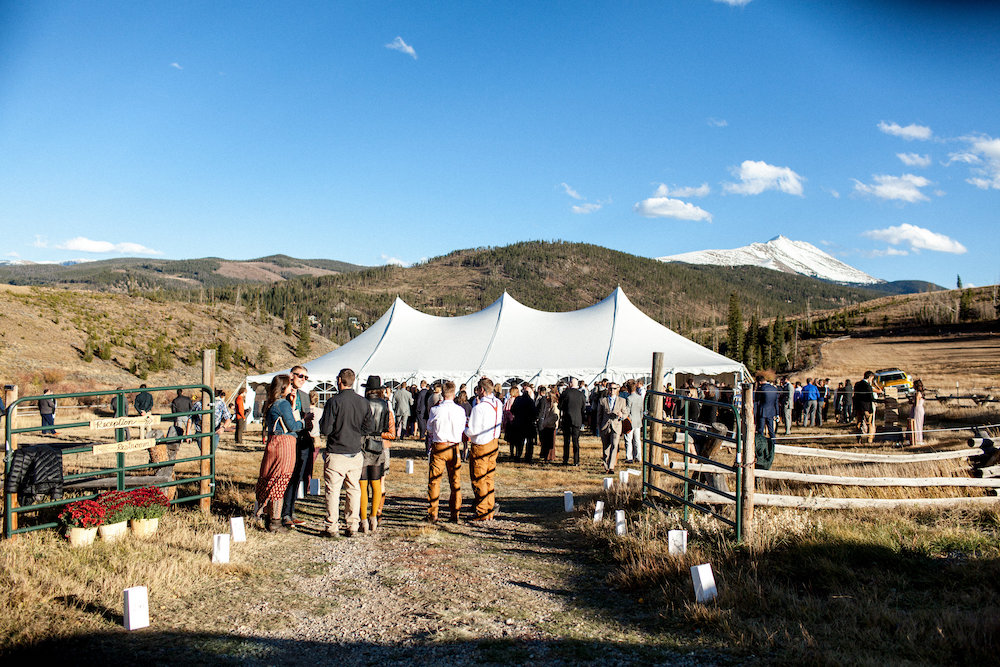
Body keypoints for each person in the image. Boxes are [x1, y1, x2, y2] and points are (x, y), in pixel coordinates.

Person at [318, 368, 375, 538]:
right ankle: (352, 524)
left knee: (333, 491)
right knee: (353, 489)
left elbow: (326, 428)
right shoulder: (363, 402)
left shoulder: (333, 402)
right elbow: (369, 427)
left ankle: (332, 526)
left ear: (340, 381)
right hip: (355, 451)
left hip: (336, 451)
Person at [254, 374, 303, 533]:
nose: (291, 387)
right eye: (289, 385)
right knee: (280, 481)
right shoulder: (282, 404)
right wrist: (303, 421)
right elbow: (293, 425)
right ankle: (275, 521)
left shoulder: (272, 403)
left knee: (272, 478)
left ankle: (269, 517)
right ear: (283, 387)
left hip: (274, 442)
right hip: (284, 444)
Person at [426, 380, 466, 523]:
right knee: (455, 481)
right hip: (454, 446)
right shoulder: (460, 410)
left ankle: (433, 513)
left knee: (435, 481)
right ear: (454, 394)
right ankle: (455, 513)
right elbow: (462, 428)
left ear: (442, 393)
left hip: (440, 445)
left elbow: (429, 428)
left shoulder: (436, 410)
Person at [465, 377, 503, 521]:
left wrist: (464, 427)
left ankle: (482, 510)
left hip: (481, 444)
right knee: (489, 476)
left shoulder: (479, 408)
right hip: (494, 442)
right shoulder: (498, 403)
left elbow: (472, 430)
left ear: (482, 390)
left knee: (478, 478)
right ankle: (489, 506)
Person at [281, 366, 314, 528]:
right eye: (300, 376)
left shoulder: (305, 397)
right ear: (291, 376)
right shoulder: (282, 395)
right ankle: (282, 513)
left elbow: (307, 421)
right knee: (286, 476)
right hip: (287, 440)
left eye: (305, 377)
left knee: (297, 477)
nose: (303, 379)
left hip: (303, 439)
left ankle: (290, 510)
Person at [360, 376, 394, 533]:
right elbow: (387, 426)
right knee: (376, 483)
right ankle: (374, 516)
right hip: (378, 443)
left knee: (362, 484)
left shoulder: (362, 404)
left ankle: (363, 519)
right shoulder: (385, 404)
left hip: (363, 443)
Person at [598, 382, 629, 473]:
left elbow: (626, 413)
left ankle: (611, 466)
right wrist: (599, 427)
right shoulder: (602, 400)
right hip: (605, 426)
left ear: (617, 389)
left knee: (615, 445)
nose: (612, 391)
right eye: (611, 389)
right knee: (606, 447)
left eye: (614, 389)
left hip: (616, 425)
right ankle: (606, 465)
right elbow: (599, 415)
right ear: (608, 389)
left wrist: (622, 415)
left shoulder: (622, 400)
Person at [559, 378, 586, 466]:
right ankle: (576, 460)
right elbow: (583, 407)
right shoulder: (581, 394)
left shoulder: (565, 393)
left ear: (570, 384)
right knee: (576, 441)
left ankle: (565, 459)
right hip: (577, 419)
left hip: (567, 418)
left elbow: (560, 406)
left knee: (566, 441)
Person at [510, 386, 537, 462]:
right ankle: (528, 457)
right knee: (529, 442)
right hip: (528, 423)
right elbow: (534, 413)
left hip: (519, 422)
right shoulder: (531, 401)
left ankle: (518, 455)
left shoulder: (518, 399)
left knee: (519, 441)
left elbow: (512, 410)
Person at [853, 371, 878, 444]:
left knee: (859, 423)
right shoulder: (868, 386)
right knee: (869, 423)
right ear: (870, 377)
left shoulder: (857, 384)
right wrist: (881, 401)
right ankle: (869, 440)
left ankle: (858, 439)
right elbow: (871, 398)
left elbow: (855, 396)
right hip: (867, 407)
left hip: (858, 407)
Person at [537, 387, 560, 462]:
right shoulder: (548, 405)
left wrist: (546, 422)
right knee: (546, 442)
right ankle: (546, 456)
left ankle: (550, 457)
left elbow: (555, 416)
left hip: (551, 426)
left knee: (551, 443)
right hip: (546, 425)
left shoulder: (555, 406)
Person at [624, 380, 645, 463]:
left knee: (628, 440)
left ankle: (629, 457)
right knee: (637, 440)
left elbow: (627, 410)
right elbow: (641, 410)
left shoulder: (629, 398)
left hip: (630, 420)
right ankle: (638, 456)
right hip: (638, 420)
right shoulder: (640, 397)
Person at [911, 379, 926, 445]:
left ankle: (917, 439)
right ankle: (918, 438)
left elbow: (916, 403)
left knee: (916, 424)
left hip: (917, 409)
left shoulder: (917, 394)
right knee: (919, 423)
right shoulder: (921, 393)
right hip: (921, 409)